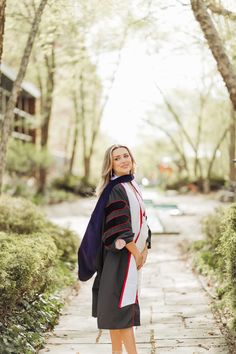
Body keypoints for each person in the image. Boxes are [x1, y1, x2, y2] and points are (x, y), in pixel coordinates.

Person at [78, 144, 151, 354]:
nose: (123, 160)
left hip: (130, 256)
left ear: (132, 158)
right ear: (111, 165)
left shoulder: (132, 185)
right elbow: (120, 228)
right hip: (121, 257)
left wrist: (145, 248)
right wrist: (136, 253)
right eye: (117, 158)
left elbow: (142, 221)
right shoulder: (117, 188)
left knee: (117, 310)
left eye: (125, 156)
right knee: (122, 311)